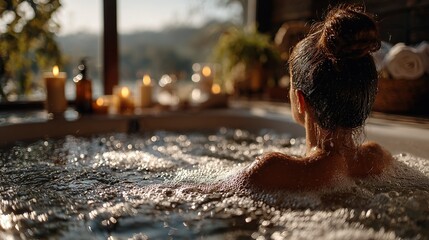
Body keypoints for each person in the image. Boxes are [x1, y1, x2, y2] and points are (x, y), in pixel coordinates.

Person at [237, 5, 393, 190]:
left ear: (301, 100)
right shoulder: (378, 158)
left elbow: (200, 194)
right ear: (365, 97)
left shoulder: (271, 172)